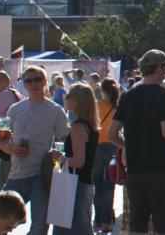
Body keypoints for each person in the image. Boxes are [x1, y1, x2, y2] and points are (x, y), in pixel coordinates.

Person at [107, 49, 165, 235]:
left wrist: (126, 146)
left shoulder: (128, 95)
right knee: (163, 224)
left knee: (137, 224)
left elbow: (112, 133)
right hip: (159, 168)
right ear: (159, 68)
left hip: (135, 169)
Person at [0, 65, 70, 235]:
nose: (33, 83)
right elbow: (3, 140)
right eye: (28, 80)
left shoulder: (55, 110)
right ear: (24, 85)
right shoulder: (15, 109)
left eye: (37, 79)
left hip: (40, 176)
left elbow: (67, 141)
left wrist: (59, 155)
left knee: (39, 227)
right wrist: (12, 148)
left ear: (45, 82)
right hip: (15, 175)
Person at [52, 84, 98, 235]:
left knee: (76, 229)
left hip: (75, 184)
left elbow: (79, 161)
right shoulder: (90, 125)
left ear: (78, 100)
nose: (66, 97)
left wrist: (61, 158)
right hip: (84, 182)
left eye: (70, 95)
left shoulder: (78, 127)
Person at [91, 78, 118, 234]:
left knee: (97, 184)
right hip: (112, 147)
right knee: (109, 184)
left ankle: (98, 218)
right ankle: (106, 221)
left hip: (96, 147)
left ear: (103, 91)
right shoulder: (117, 108)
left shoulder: (96, 105)